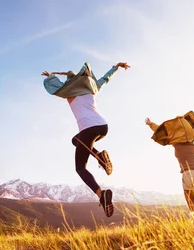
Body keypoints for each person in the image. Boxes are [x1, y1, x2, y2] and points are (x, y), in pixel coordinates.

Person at [42, 61, 130, 217]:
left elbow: (55, 85)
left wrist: (50, 76)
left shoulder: (69, 93)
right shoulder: (92, 89)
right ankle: (100, 157)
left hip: (88, 130)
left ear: (70, 85)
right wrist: (116, 67)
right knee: (76, 140)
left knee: (80, 168)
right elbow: (105, 78)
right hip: (103, 127)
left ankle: (101, 194)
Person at [145, 111, 194, 219]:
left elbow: (161, 130)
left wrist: (150, 124)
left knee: (191, 206)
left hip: (188, 174)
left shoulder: (176, 141)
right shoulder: (192, 139)